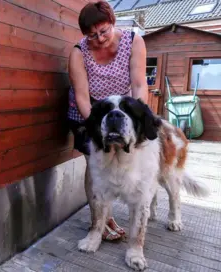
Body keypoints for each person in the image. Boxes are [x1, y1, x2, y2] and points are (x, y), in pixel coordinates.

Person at [67, 1, 148, 241]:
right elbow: (82, 96)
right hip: (89, 113)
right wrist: (95, 128)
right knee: (96, 164)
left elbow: (139, 84)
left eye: (104, 31)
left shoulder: (133, 41)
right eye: (92, 35)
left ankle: (109, 217)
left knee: (119, 162)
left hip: (121, 113)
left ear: (113, 23)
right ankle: (98, 223)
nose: (100, 39)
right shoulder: (78, 52)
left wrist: (137, 119)